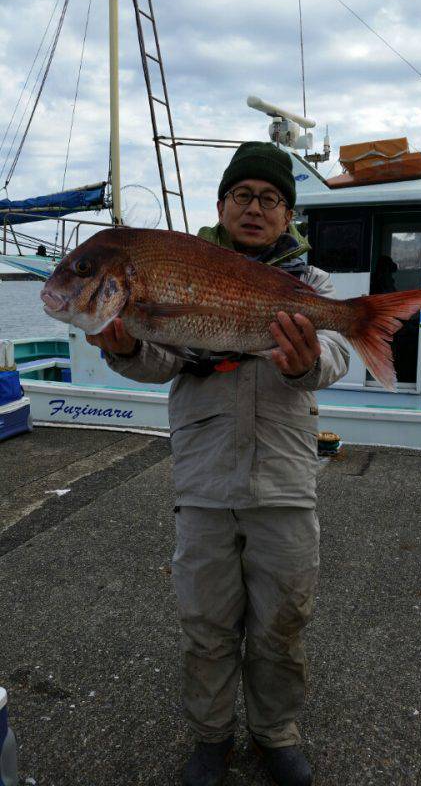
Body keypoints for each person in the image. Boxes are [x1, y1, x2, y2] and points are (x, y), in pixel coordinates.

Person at [86, 142, 350, 786]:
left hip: (285, 481)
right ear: (222, 205)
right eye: (243, 196)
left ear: (287, 215)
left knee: (282, 623)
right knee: (205, 623)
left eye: (270, 199)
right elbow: (163, 361)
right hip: (203, 481)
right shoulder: (182, 270)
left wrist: (307, 362)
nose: (255, 209)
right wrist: (123, 349)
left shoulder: (311, 287)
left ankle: (277, 734)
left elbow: (339, 351)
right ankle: (211, 737)